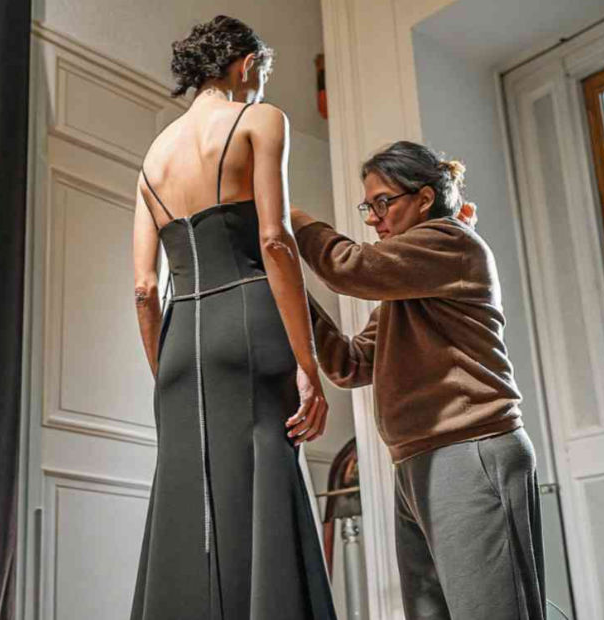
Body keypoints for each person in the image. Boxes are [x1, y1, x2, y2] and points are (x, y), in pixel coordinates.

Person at [130, 15, 337, 620]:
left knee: (188, 497)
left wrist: (166, 370)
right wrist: (309, 365)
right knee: (265, 480)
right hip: (249, 317)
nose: (262, 89)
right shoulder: (260, 119)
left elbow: (145, 289)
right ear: (246, 64)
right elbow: (274, 240)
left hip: (179, 342)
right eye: (262, 76)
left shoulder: (152, 158)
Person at [291, 141, 546, 619]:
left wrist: (292, 220)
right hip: (416, 462)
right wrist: (287, 290)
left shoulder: (450, 242)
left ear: (424, 199)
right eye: (369, 206)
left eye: (383, 202)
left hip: (470, 451)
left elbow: (349, 266)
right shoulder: (407, 287)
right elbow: (350, 364)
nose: (373, 218)